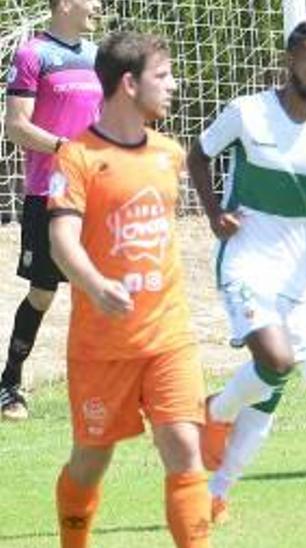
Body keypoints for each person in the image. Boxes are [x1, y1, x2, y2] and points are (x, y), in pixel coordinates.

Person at [47, 31, 211, 547]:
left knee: (185, 445)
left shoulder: (169, 154)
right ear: (128, 83)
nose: (173, 85)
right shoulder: (77, 157)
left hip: (167, 335)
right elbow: (61, 240)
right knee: (90, 462)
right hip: (103, 347)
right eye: (162, 77)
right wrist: (95, 285)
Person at [188, 21, 306, 524]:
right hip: (245, 259)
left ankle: (217, 490)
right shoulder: (247, 112)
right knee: (276, 361)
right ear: (290, 61)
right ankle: (214, 411)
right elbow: (197, 155)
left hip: (298, 275)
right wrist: (215, 213)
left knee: (273, 388)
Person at [0, 0, 103, 421]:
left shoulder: (100, 56)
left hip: (97, 195)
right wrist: (67, 149)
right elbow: (15, 125)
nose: (98, 4)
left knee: (100, 291)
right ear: (63, 4)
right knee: (43, 293)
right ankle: (9, 384)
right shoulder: (32, 55)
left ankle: (106, 388)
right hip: (49, 193)